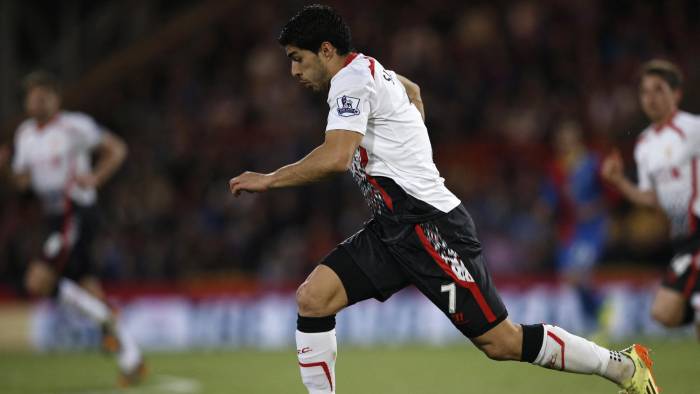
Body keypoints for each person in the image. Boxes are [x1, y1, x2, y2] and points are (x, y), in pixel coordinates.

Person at [229, 5, 657, 393]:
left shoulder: (351, 81)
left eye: (297, 59)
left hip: (431, 225)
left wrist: (268, 180)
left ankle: (623, 368)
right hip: (392, 228)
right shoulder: (366, 70)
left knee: (502, 342)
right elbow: (401, 83)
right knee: (312, 298)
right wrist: (409, 88)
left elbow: (337, 157)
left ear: (325, 50)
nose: (293, 71)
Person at [4, 71, 145, 385]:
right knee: (88, 288)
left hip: (76, 210)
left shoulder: (74, 126)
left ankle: (106, 321)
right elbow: (23, 183)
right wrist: (5, 170)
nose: (38, 101)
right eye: (33, 97)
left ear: (56, 98)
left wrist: (95, 177)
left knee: (38, 280)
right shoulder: (25, 135)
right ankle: (131, 359)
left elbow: (117, 149)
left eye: (44, 95)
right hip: (53, 216)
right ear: (27, 102)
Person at [602, 59, 700, 339]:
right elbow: (652, 200)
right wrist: (619, 182)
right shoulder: (645, 144)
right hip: (682, 237)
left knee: (670, 309)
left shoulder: (692, 129)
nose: (651, 98)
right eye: (645, 92)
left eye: (659, 90)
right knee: (663, 314)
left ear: (676, 94)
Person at [540, 120, 608, 330]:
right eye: (561, 139)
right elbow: (550, 198)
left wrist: (594, 208)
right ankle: (596, 318)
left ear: (577, 139)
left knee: (577, 274)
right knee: (569, 278)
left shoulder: (593, 162)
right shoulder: (556, 168)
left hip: (592, 228)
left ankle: (602, 307)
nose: (564, 142)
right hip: (569, 231)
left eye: (568, 138)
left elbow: (611, 195)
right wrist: (543, 209)